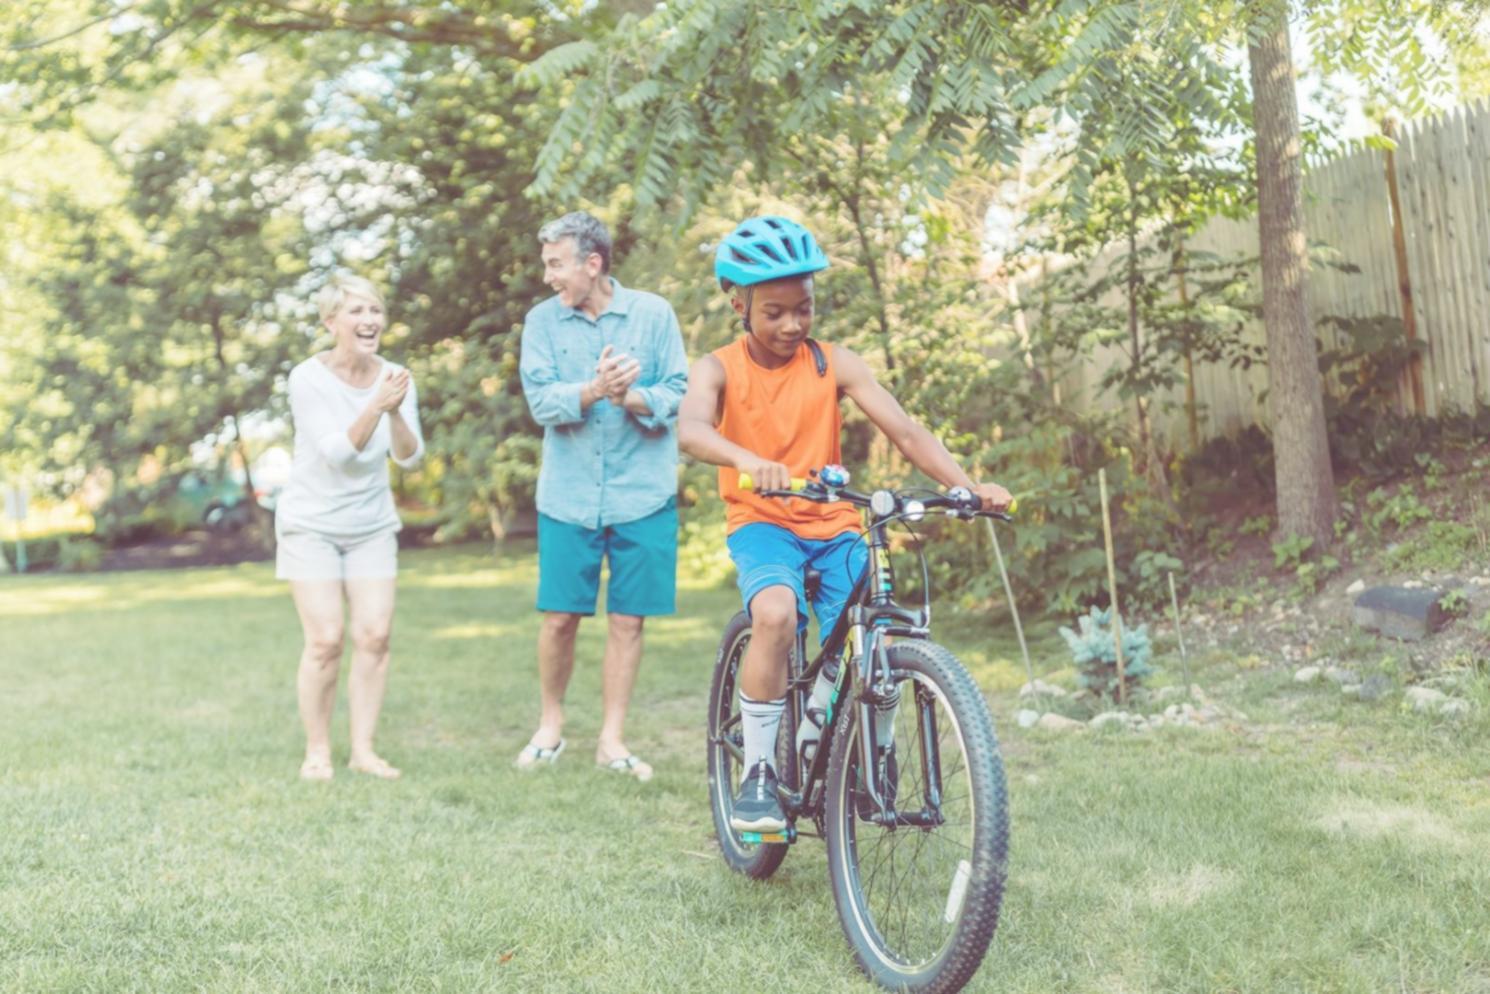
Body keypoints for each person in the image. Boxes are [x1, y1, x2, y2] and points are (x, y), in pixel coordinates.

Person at [677, 215, 1013, 831]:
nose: (793, 324)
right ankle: (757, 772)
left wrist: (966, 488)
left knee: (875, 636)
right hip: (763, 520)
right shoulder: (718, 368)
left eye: (803, 308)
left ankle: (871, 757)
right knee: (774, 615)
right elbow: (692, 429)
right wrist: (749, 461)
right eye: (774, 311)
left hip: (834, 524)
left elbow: (906, 431)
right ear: (738, 303)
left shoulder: (835, 363)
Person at [516, 211, 688, 781]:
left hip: (643, 495)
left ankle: (612, 739)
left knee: (628, 621)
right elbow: (541, 402)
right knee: (560, 617)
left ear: (592, 264)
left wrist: (629, 397)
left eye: (555, 264)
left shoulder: (653, 314)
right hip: (567, 497)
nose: (548, 276)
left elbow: (677, 392)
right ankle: (551, 725)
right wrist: (594, 389)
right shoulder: (542, 322)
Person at [276, 273, 424, 782]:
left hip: (371, 524)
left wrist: (397, 413)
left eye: (375, 311)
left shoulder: (397, 376)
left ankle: (363, 750)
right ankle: (317, 750)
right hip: (310, 524)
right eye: (357, 312)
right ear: (330, 321)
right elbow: (338, 454)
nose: (369, 321)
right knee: (325, 639)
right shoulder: (306, 378)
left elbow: (411, 458)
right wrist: (376, 407)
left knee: (375, 635)